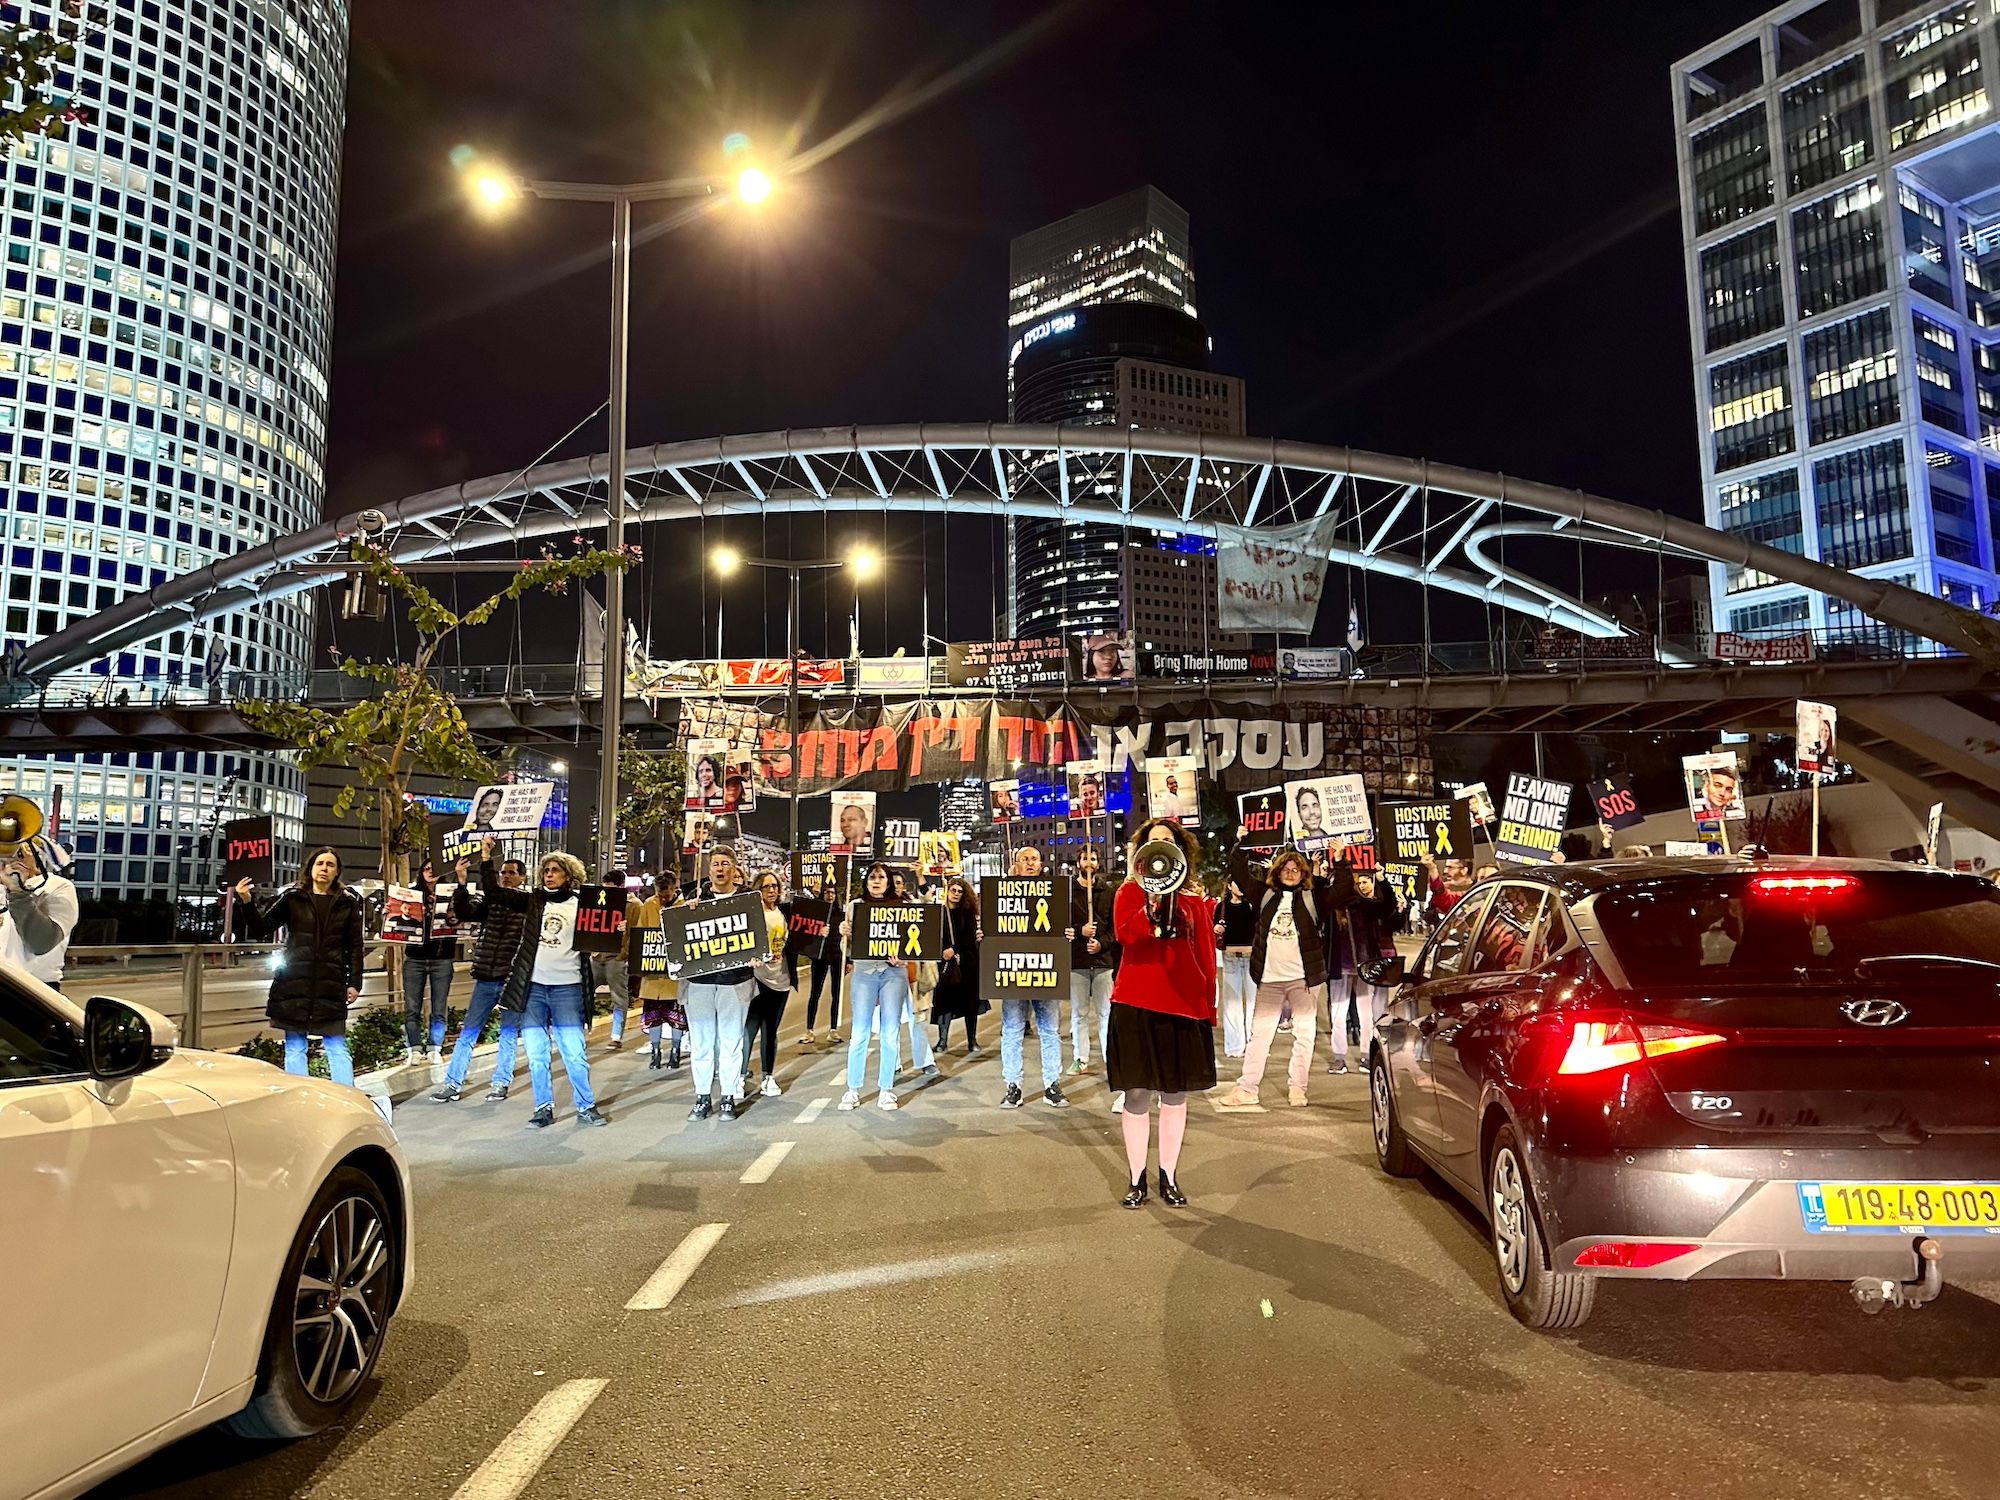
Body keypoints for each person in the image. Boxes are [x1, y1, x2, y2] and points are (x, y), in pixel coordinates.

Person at [1106, 817, 1216, 1208]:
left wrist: (1209, 1007)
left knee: (1175, 1091)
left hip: (1184, 1004)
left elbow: (1205, 954)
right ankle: (1137, 1178)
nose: (1161, 848)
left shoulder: (1195, 900)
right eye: (1153, 843)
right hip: (1136, 1002)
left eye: (1168, 842)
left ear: (1181, 851)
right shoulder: (1129, 893)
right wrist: (1153, 902)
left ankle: (1168, 1174)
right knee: (1136, 1092)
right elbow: (1127, 937)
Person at [497, 850, 608, 1129]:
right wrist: (487, 861)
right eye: (546, 870)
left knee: (574, 1052)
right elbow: (497, 894)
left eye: (555, 870)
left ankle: (586, 1106)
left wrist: (614, 928)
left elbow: (605, 933)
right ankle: (542, 1108)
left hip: (567, 989)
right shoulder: (534, 902)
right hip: (533, 989)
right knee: (537, 1054)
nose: (549, 874)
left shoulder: (583, 904)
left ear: (568, 876)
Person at [234, 849, 363, 1087]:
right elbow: (262, 927)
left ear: (337, 872)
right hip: (295, 982)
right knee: (295, 1046)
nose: (324, 868)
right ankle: (302, 1097)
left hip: (331, 984)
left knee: (337, 1046)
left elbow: (355, 946)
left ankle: (348, 1096)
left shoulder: (347, 903)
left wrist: (355, 983)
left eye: (330, 865)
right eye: (320, 863)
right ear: (311, 868)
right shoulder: (293, 898)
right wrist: (246, 902)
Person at [1224, 849, 1337, 1110]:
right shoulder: (1265, 895)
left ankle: (1298, 1088)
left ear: (1303, 873)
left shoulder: (1313, 898)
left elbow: (1342, 890)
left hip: (1303, 980)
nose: (1290, 873)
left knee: (1305, 1035)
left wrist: (1340, 860)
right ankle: (1247, 1088)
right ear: (1276, 872)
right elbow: (1239, 873)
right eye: (1285, 869)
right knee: (1260, 1037)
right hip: (1270, 981)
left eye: (1295, 869)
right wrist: (1241, 843)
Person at [432, 840, 527, 1102]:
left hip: (511, 978)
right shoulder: (490, 901)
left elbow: (496, 893)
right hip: (486, 976)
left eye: (511, 873)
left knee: (508, 1033)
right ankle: (452, 1084)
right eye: (502, 872)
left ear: (522, 878)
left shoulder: (527, 902)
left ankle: (501, 1082)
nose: (505, 877)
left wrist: (486, 856)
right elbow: (464, 912)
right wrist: (461, 884)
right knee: (469, 1032)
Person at [681, 846, 757, 1120]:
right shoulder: (694, 898)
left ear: (734, 868)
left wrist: (756, 956)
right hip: (699, 982)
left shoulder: (748, 900)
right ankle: (702, 1097)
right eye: (715, 864)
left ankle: (727, 1097)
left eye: (726, 863)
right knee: (701, 1043)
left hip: (735, 982)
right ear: (709, 868)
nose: (720, 868)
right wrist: (687, 912)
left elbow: (755, 939)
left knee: (731, 1042)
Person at [998, 844, 1069, 1110]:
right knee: (1013, 1030)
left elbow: (1062, 926)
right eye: (1024, 859)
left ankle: (1052, 1084)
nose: (1030, 863)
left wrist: (1068, 935)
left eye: (1034, 859)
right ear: (1015, 864)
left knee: (1050, 1031)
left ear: (1041, 865)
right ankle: (1012, 1086)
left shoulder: (1054, 893)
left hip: (1046, 969)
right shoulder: (1001, 894)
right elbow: (994, 930)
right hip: (1013, 971)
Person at [839, 861, 911, 1111]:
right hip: (864, 972)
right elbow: (845, 950)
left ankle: (886, 1089)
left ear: (889, 881)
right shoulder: (855, 907)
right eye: (872, 877)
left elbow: (914, 942)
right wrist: (844, 933)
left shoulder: (902, 907)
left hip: (893, 974)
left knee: (890, 1032)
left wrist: (905, 957)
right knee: (860, 1032)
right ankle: (853, 1089)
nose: (876, 881)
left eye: (881, 877)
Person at [1327, 867, 1405, 1076]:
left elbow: (1386, 905)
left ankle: (1366, 1054)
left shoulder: (1362, 905)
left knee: (1366, 1013)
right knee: (1338, 1012)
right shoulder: (1330, 908)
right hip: (1339, 966)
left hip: (1365, 963)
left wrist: (1381, 877)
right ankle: (1339, 1057)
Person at [0, 818, 78, 986]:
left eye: (17, 853)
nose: (8, 860)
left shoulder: (58, 886)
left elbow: (40, 943)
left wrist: (17, 892)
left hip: (36, 989)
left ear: (33, 856)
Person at [1066, 845, 1119, 1081]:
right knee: (1079, 1013)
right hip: (1076, 961)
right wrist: (1080, 931)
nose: (1089, 862)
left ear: (1098, 863)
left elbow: (1114, 930)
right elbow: (1062, 927)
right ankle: (1081, 1057)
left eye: (1093, 858)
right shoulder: (1068, 892)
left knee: (1106, 1012)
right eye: (1085, 858)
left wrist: (1101, 945)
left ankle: (1111, 1058)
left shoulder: (1108, 892)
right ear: (1078, 862)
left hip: (1102, 962)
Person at [400, 857, 457, 1065]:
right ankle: (414, 1048)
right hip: (415, 957)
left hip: (442, 958)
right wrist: (391, 915)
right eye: (426, 868)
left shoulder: (451, 893)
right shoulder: (411, 894)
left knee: (439, 1007)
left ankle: (435, 1047)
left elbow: (463, 915)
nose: (430, 872)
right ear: (421, 871)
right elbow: (397, 921)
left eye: (434, 868)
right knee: (412, 1007)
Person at [627, 870, 685, 1070]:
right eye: (659, 894)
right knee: (652, 1014)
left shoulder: (684, 905)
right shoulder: (649, 905)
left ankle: (675, 1051)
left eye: (666, 895)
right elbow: (641, 932)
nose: (662, 899)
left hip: (673, 973)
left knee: (676, 1014)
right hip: (652, 971)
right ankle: (656, 1050)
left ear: (674, 888)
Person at [743, 870, 792, 1097]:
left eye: (774, 886)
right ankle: (740, 1075)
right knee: (749, 1028)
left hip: (780, 980)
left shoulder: (782, 913)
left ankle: (767, 1077)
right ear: (757, 890)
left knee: (770, 1030)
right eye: (766, 887)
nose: (771, 890)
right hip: (757, 978)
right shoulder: (752, 914)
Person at [932, 875, 985, 1053]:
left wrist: (954, 949)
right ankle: (942, 1040)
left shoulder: (967, 913)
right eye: (953, 890)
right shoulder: (939, 913)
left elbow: (969, 938)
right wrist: (942, 952)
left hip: (967, 963)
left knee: (970, 1003)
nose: (955, 894)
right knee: (944, 1002)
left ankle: (972, 1040)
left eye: (959, 891)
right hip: (945, 964)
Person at [1213, 873, 1257, 1060]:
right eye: (1236, 884)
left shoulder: (1252, 906)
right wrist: (1216, 928)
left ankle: (1254, 1044)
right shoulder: (1221, 907)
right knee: (1232, 1003)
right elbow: (1214, 926)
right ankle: (1234, 1046)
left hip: (1250, 957)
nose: (1239, 887)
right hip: (1230, 956)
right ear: (1229, 886)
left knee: (1254, 1003)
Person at [799, 870, 844, 1047]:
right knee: (814, 993)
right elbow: (805, 932)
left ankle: (833, 1029)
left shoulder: (841, 914)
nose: (830, 895)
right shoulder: (816, 913)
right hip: (819, 957)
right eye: (827, 892)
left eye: (833, 893)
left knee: (836, 993)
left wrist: (848, 961)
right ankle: (809, 1029)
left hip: (837, 957)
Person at [592, 868, 633, 1050]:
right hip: (597, 955)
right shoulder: (599, 900)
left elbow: (635, 932)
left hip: (616, 958)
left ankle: (616, 1035)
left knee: (619, 997)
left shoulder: (633, 905)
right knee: (583, 993)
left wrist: (624, 954)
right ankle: (579, 1029)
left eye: (611, 888)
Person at [1421, 850, 1473, 917]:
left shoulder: (1478, 892)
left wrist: (1433, 869)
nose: (1445, 871)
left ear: (1464, 870)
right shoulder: (1444, 888)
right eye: (1446, 867)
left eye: (1450, 867)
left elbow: (1447, 901)